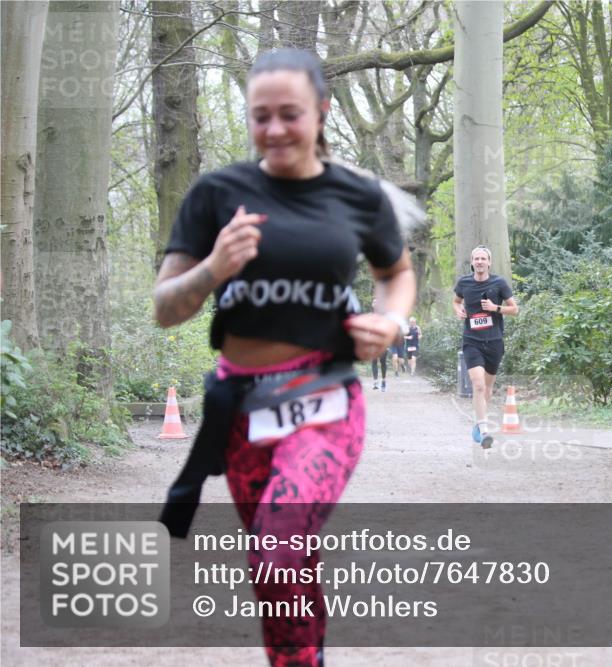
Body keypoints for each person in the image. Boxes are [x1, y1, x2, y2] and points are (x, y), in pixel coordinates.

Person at [154, 48, 416, 667]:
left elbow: (396, 273)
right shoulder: (217, 193)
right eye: (260, 116)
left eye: (289, 114)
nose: (273, 129)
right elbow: (166, 308)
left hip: (324, 398)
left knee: (278, 547)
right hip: (242, 407)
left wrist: (390, 321)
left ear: (320, 111)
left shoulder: (357, 195)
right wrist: (215, 267)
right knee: (278, 562)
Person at [452, 245, 518, 448]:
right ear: (472, 262)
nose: (480, 262)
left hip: (494, 342)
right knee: (478, 385)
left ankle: (478, 423)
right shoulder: (464, 282)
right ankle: (484, 430)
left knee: (487, 388)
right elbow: (456, 301)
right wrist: (458, 310)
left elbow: (515, 309)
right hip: (472, 341)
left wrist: (495, 308)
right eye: (476, 259)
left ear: (489, 262)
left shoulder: (499, 283)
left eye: (483, 259)